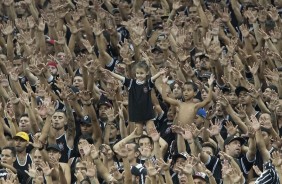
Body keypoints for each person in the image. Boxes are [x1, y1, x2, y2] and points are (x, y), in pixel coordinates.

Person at [101, 61, 167, 136]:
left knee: (152, 132)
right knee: (138, 134)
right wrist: (111, 73)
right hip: (136, 114)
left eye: (142, 73)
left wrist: (160, 73)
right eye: (137, 73)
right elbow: (120, 77)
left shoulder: (148, 83)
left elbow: (153, 78)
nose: (139, 75)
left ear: (147, 73)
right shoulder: (131, 83)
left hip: (148, 113)